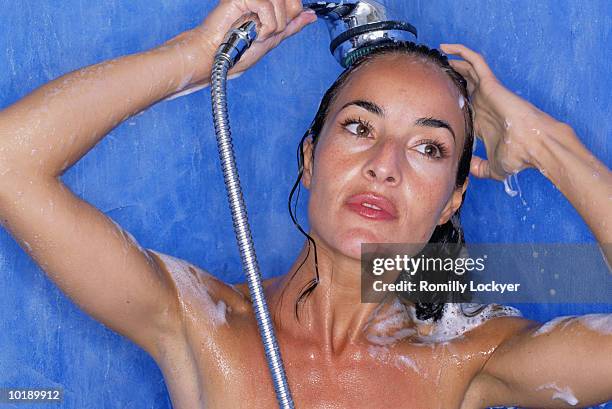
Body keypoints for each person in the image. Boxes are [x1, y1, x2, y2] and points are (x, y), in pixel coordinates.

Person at [0, 0, 610, 408]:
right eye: (360, 128)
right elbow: (10, 165)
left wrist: (550, 146)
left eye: (427, 146)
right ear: (310, 159)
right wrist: (193, 57)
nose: (384, 166)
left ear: (452, 199)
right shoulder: (205, 325)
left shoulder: (471, 357)